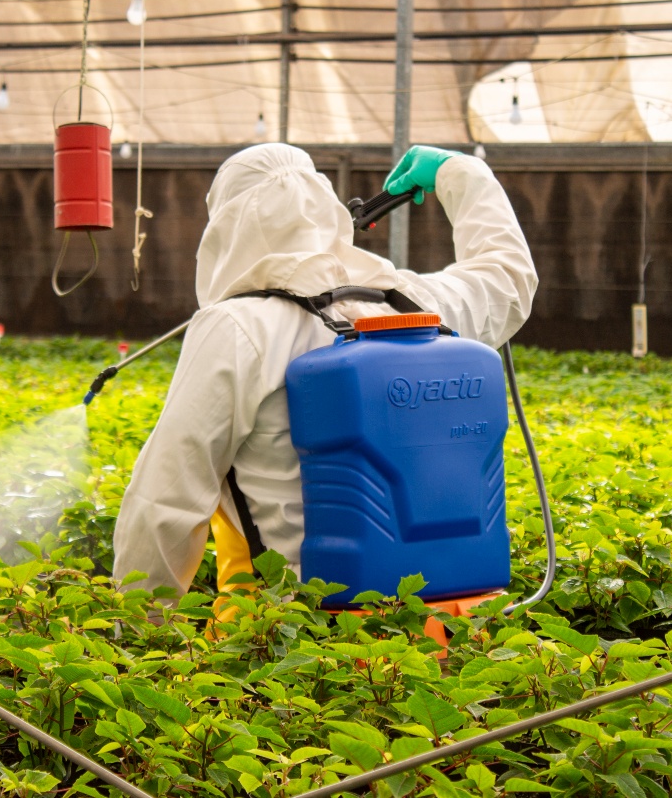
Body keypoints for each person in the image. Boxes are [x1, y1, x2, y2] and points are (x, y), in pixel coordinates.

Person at [111, 142, 538, 599]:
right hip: (457, 619)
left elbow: (167, 498)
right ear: (326, 208)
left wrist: (141, 631)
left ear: (226, 229)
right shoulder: (415, 302)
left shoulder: (238, 327)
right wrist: (460, 173)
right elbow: (507, 278)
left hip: (302, 633)